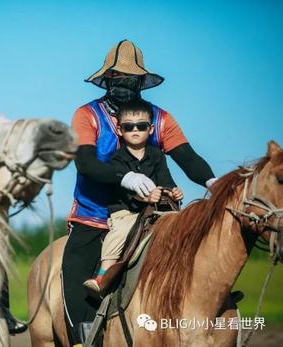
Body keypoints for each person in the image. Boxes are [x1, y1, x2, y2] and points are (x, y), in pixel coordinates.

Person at [62, 39, 216, 346]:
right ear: (105, 80)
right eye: (116, 79)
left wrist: (214, 184)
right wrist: (126, 177)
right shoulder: (87, 115)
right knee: (74, 263)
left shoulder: (159, 118)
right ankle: (81, 336)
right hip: (96, 214)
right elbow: (86, 164)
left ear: (141, 82)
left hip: (152, 212)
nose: (122, 85)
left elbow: (186, 157)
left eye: (129, 79)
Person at [82, 99, 184, 298]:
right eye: (129, 127)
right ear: (120, 131)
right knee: (120, 232)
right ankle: (103, 275)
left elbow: (165, 180)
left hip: (155, 211)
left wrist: (173, 192)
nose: (135, 130)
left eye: (141, 126)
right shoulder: (116, 159)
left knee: (184, 227)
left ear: (151, 129)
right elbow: (123, 193)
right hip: (125, 211)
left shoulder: (157, 155)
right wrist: (144, 197)